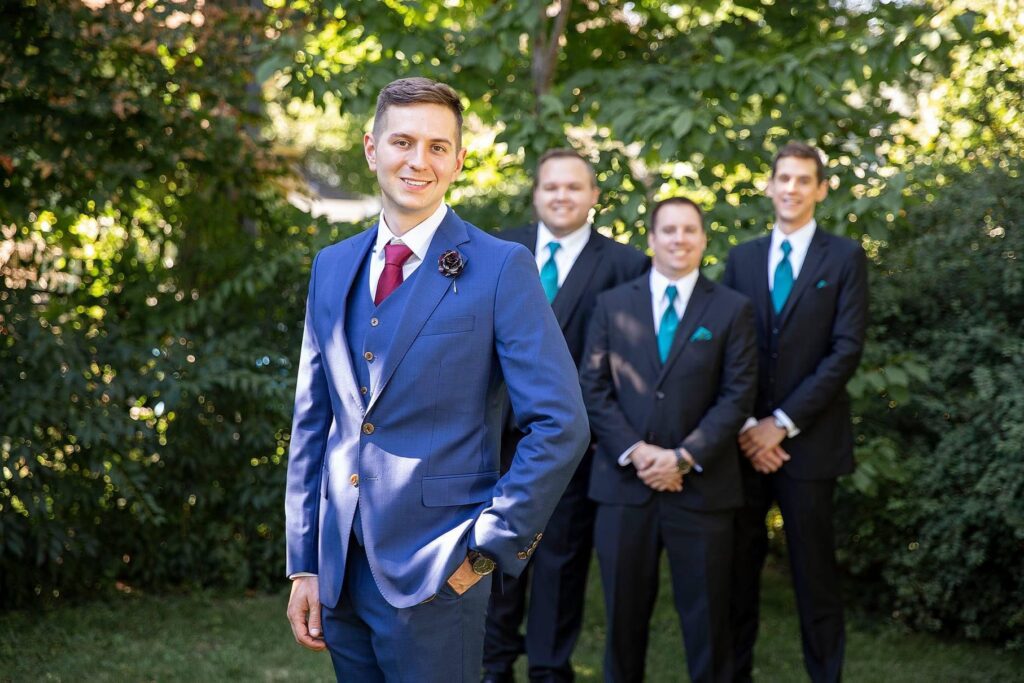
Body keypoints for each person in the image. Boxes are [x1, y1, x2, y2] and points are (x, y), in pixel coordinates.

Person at [283, 77, 590, 682]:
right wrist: (305, 563)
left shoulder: (501, 267)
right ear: (372, 149)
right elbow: (315, 419)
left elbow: (561, 424)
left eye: (437, 146)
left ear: (458, 160)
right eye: (402, 141)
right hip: (339, 570)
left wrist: (486, 548)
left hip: (439, 571)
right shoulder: (333, 265)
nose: (418, 161)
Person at [483, 149, 649, 683]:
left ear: (594, 196)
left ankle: (551, 669)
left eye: (574, 187)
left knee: (560, 559)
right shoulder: (496, 249)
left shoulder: (627, 265)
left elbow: (635, 360)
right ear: (535, 194)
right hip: (496, 436)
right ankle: (493, 664)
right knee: (493, 547)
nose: (561, 196)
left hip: (577, 444)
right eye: (551, 186)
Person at [580, 197, 757, 683]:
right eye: (669, 230)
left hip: (702, 491)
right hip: (623, 489)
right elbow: (591, 388)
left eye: (689, 230)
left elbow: (737, 395)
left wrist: (684, 456)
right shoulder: (613, 306)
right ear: (652, 239)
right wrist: (638, 454)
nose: (679, 239)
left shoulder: (732, 309)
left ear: (703, 239)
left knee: (707, 623)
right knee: (623, 622)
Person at [725, 142, 868, 683]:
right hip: (741, 447)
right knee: (738, 574)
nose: (791, 188)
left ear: (821, 189)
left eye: (803, 180)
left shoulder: (845, 257)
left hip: (809, 445)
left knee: (815, 577)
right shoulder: (741, 257)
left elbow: (845, 350)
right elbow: (728, 348)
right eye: (783, 178)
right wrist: (746, 426)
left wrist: (778, 425)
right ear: (769, 185)